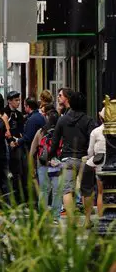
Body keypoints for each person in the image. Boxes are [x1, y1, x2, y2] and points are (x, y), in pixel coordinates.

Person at [49, 88, 96, 222]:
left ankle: (71, 222)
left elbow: (55, 142)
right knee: (87, 190)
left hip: (67, 159)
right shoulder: (88, 120)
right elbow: (92, 139)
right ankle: (87, 220)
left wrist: (51, 156)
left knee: (67, 190)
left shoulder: (62, 120)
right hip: (84, 160)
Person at [31, 92, 61, 218]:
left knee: (43, 190)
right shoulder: (61, 132)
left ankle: (43, 214)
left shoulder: (41, 132)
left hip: (42, 163)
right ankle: (55, 215)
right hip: (56, 163)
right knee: (56, 191)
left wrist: (32, 168)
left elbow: (32, 151)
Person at [4, 91, 26, 199]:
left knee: (17, 172)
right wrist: (9, 141)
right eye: (16, 100)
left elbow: (22, 130)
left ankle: (17, 197)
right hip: (6, 145)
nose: (18, 102)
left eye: (19, 100)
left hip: (17, 146)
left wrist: (18, 140)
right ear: (9, 101)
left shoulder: (19, 114)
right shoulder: (4, 113)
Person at [85, 109, 106, 217]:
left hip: (100, 164)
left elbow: (90, 151)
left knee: (101, 193)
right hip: (111, 163)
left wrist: (90, 159)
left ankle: (101, 217)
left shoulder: (96, 132)